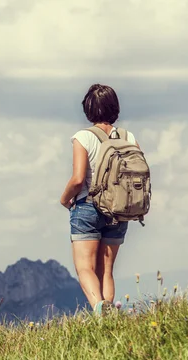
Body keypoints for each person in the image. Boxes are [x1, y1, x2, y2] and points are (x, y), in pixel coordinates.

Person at [59, 83, 141, 315]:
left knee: (85, 267)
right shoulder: (128, 137)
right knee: (106, 270)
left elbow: (77, 180)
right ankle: (109, 315)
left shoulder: (83, 137)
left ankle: (99, 311)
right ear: (115, 106)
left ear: (88, 108)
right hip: (119, 208)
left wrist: (65, 200)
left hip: (88, 207)